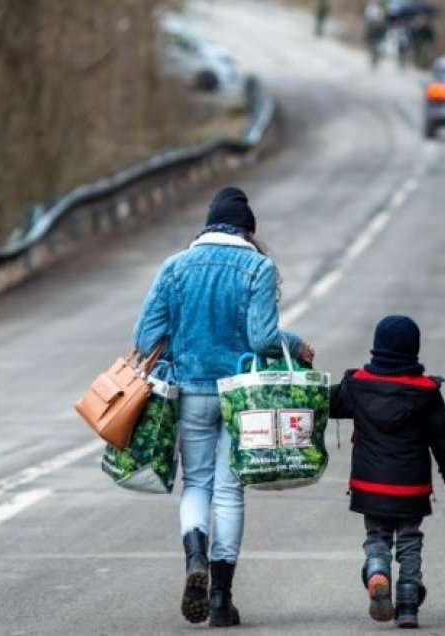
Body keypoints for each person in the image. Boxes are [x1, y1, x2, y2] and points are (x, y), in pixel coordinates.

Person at [133, 186, 315, 627]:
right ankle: (220, 599)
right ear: (248, 230)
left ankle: (194, 558)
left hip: (191, 391)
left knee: (196, 484)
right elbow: (264, 341)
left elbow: (144, 339)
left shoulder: (174, 267)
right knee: (230, 490)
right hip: (243, 397)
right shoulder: (258, 267)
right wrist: (295, 345)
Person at [330, 315, 445, 629]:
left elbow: (328, 403)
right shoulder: (426, 392)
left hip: (370, 485)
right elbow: (443, 442)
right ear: (414, 350)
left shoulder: (358, 384)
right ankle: (408, 604)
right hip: (411, 487)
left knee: (376, 536)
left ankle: (378, 570)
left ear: (377, 347)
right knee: (409, 540)